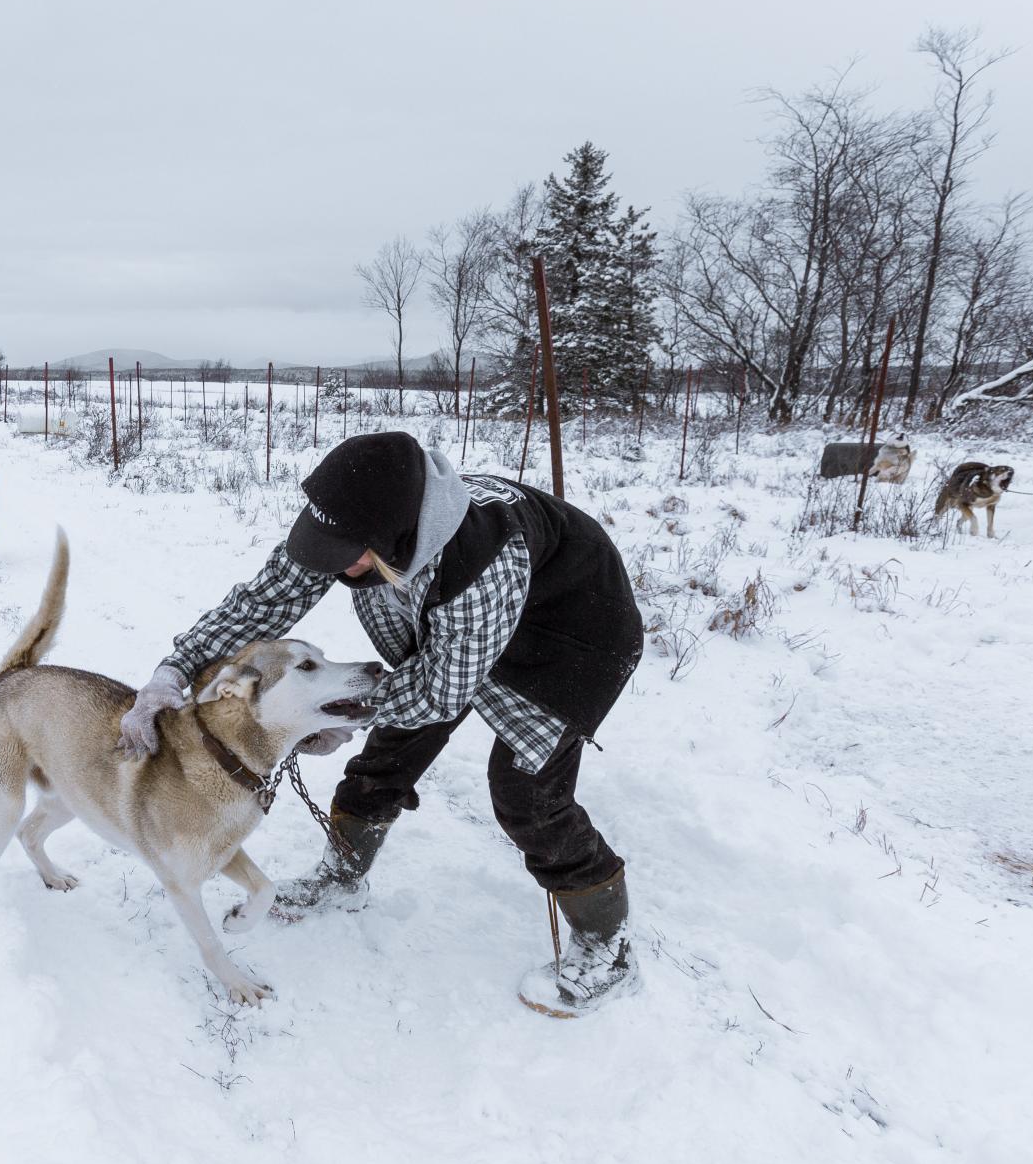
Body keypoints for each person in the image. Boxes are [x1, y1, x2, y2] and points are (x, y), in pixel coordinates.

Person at [115, 431, 645, 1014]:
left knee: (528, 796)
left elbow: (441, 689)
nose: (333, 565)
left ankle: (608, 949)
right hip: (454, 634)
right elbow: (261, 604)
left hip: (565, 642)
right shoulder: (353, 521)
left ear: (396, 538)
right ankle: (342, 876)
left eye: (345, 555)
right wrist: (176, 668)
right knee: (383, 760)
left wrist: (331, 710)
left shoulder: (484, 561)